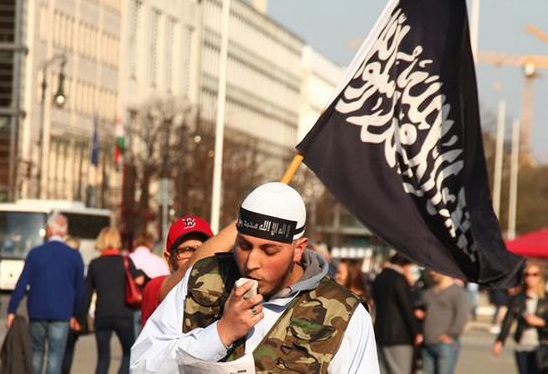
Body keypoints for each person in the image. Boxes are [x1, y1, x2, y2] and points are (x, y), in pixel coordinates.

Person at [131, 182, 379, 373]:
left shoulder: (345, 313)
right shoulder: (204, 278)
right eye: (244, 246)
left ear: (298, 249)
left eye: (269, 251)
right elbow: (142, 365)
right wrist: (219, 334)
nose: (251, 263)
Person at [7, 213, 85, 374]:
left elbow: (22, 283)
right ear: (65, 231)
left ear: (49, 230)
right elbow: (80, 289)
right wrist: (76, 314)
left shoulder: (36, 253)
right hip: (62, 313)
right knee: (55, 357)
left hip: (37, 311)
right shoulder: (74, 256)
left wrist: (12, 310)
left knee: (36, 353)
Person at [82, 227, 143, 374]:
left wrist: (81, 317)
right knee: (128, 353)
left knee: (103, 357)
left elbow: (87, 294)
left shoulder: (95, 264)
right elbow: (139, 279)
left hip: (102, 315)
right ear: (117, 241)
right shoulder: (125, 261)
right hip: (123, 313)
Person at [140, 215, 214, 326]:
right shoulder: (155, 287)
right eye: (187, 250)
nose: (197, 256)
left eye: (203, 248)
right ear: (169, 259)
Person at [492, 263, 548, 374]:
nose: (530, 278)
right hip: (522, 345)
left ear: (540, 277)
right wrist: (500, 341)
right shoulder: (518, 299)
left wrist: (541, 322)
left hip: (541, 345)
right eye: (527, 274)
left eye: (534, 274)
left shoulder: (545, 300)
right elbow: (508, 321)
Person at [372, 252, 421, 374]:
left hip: (380, 334)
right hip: (399, 337)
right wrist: (416, 332)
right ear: (404, 265)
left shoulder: (379, 277)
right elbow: (407, 308)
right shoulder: (399, 280)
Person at [417, 270, 469, 374]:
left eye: (435, 270)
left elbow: (462, 316)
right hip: (427, 344)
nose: (432, 273)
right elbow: (421, 310)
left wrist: (451, 335)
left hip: (446, 344)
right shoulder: (428, 293)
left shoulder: (458, 292)